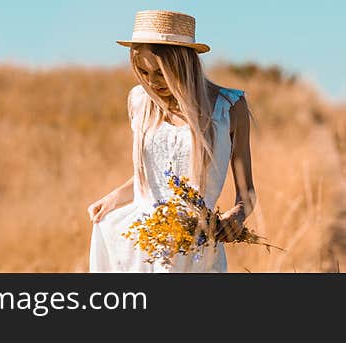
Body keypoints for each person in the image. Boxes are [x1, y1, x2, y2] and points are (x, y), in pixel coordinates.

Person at [87, 10, 256, 272]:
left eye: (161, 72)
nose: (153, 82)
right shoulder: (139, 102)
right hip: (142, 244)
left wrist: (238, 214)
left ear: (183, 63)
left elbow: (247, 192)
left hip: (197, 245)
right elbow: (155, 177)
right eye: (143, 72)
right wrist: (115, 197)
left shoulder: (228, 108)